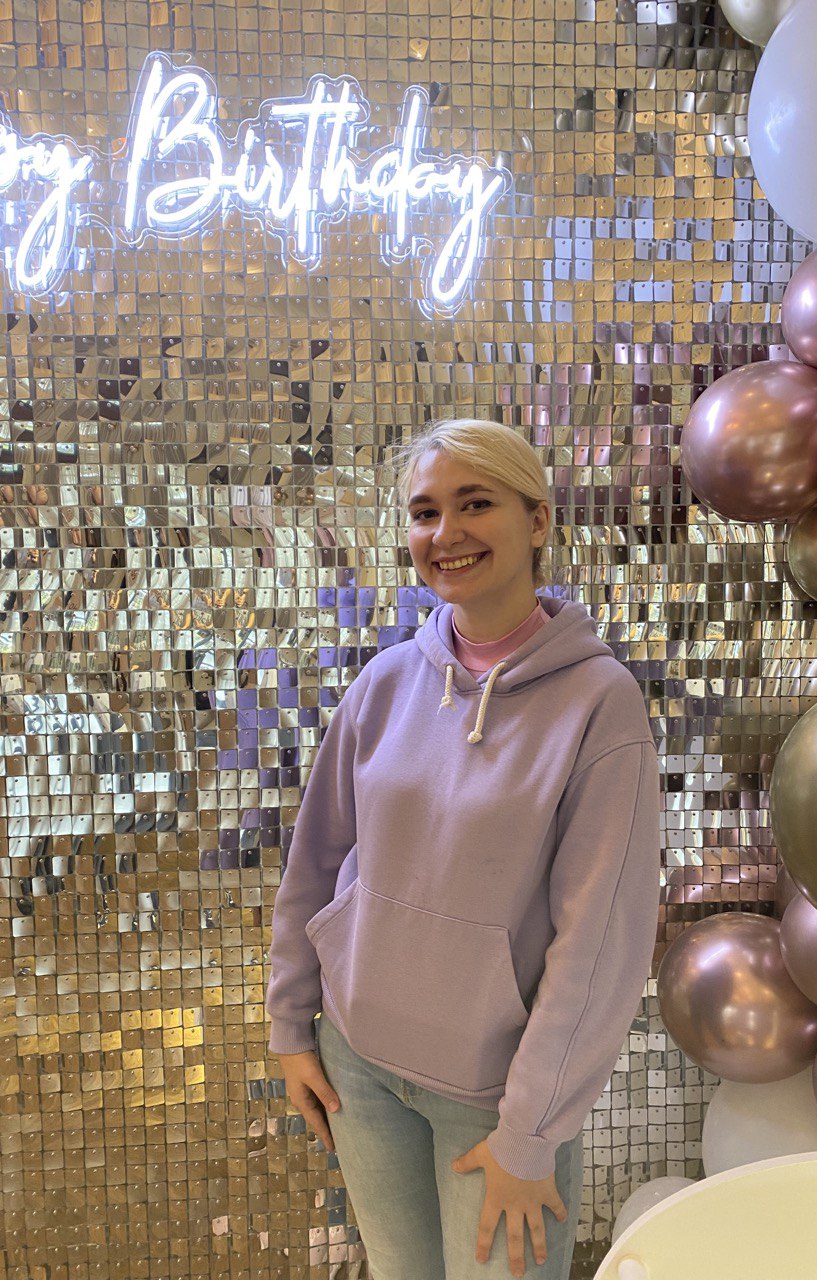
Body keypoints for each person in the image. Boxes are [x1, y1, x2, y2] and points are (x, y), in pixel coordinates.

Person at [266, 418, 662, 1280]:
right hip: (358, 1069)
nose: (446, 533)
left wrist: (530, 1133)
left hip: (494, 1101)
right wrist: (291, 1026)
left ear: (538, 519)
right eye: (425, 512)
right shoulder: (386, 682)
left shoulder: (600, 705)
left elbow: (600, 943)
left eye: (475, 504)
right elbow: (316, 862)